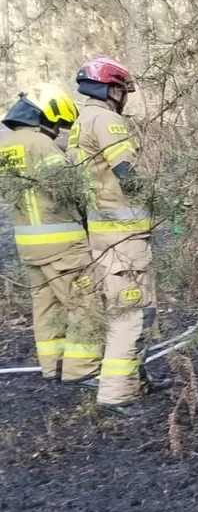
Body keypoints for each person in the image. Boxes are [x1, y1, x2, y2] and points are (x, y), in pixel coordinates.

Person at [70, 55, 166, 416]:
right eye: (122, 91)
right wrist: (165, 202)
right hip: (123, 239)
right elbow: (126, 174)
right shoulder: (107, 120)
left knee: (137, 309)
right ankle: (115, 394)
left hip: (105, 234)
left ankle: (135, 381)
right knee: (131, 313)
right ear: (110, 89)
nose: (124, 98)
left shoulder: (82, 121)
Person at [0, 84, 102, 385]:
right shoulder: (43, 145)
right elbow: (69, 189)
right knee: (86, 303)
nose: (58, 131)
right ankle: (82, 369)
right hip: (62, 245)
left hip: (29, 245)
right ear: (47, 114)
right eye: (57, 123)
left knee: (46, 307)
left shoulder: (6, 144)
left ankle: (53, 365)